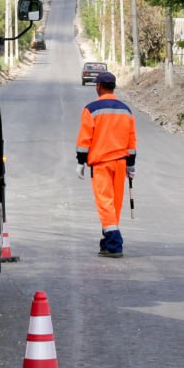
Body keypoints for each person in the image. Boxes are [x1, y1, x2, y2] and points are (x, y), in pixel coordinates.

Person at [75, 71, 136, 257]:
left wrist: (80, 162)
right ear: (114, 86)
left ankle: (114, 243)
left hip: (101, 164)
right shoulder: (126, 110)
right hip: (120, 163)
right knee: (114, 204)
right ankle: (107, 241)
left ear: (99, 86)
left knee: (105, 203)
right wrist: (131, 165)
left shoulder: (91, 109)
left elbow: (85, 139)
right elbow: (131, 141)